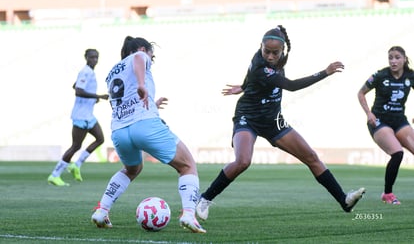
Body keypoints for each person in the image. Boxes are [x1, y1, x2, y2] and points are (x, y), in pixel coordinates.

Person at [196, 25, 366, 221]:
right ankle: (205, 198)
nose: (269, 56)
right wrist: (325, 72)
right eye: (266, 51)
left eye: (274, 53)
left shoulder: (278, 57)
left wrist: (243, 86)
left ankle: (344, 200)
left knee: (311, 156)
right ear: (260, 47)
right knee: (243, 161)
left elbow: (250, 74)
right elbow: (291, 86)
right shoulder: (261, 66)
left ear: (282, 50)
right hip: (248, 116)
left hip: (273, 119)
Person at [91, 36, 206, 233]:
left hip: (119, 131)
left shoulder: (112, 72)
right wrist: (142, 84)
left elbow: (127, 100)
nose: (150, 60)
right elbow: (138, 59)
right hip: (144, 126)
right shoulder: (139, 56)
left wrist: (152, 103)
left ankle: (101, 210)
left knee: (131, 169)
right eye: (151, 56)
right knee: (187, 165)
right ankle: (188, 213)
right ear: (144, 49)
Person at [357, 46, 414, 205]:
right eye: (390, 58)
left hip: (400, 121)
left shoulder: (410, 75)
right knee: (397, 153)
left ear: (404, 59)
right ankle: (387, 194)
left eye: (397, 57)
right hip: (380, 121)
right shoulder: (380, 75)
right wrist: (369, 113)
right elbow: (360, 93)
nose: (393, 61)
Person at [47, 49, 109, 186]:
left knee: (100, 139)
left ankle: (77, 164)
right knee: (76, 146)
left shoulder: (89, 72)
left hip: (88, 115)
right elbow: (78, 91)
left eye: (96, 57)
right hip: (80, 116)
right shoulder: (86, 71)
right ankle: (55, 174)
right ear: (86, 57)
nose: (94, 59)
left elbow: (75, 85)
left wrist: (92, 99)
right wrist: (98, 96)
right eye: (92, 57)